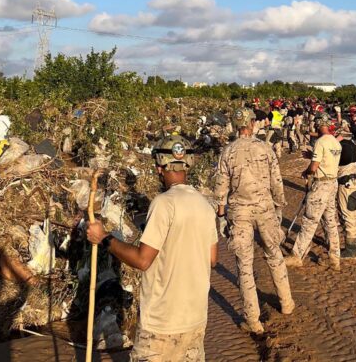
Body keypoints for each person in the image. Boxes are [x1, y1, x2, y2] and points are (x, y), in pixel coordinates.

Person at [87, 135, 218, 361]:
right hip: (195, 320)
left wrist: (104, 238)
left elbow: (142, 260)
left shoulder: (163, 204)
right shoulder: (204, 205)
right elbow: (212, 259)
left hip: (162, 324)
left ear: (160, 168)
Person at [215, 108, 295, 334]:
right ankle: (286, 303)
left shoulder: (228, 151)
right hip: (265, 208)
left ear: (234, 124)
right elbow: (276, 181)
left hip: (239, 212)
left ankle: (253, 320)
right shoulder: (265, 147)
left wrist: (220, 213)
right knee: (274, 254)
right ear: (252, 123)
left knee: (244, 265)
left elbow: (221, 185)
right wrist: (279, 205)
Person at [285, 112, 342, 270]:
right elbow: (326, 160)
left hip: (321, 186)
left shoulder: (320, 142)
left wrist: (306, 172)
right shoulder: (336, 142)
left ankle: (297, 255)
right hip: (332, 183)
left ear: (317, 124)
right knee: (330, 221)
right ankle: (334, 258)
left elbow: (314, 167)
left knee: (310, 221)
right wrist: (312, 157)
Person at [336, 132, 356, 258]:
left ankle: (351, 250)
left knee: (347, 215)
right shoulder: (351, 145)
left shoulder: (340, 147)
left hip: (347, 184)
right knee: (354, 214)